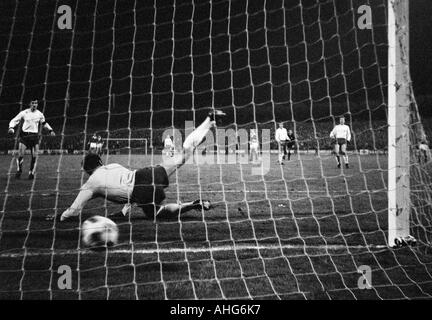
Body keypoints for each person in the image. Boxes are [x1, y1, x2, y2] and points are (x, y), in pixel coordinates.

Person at [47, 110, 226, 222]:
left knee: (158, 213)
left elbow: (74, 211)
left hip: (141, 189)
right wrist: (124, 211)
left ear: (87, 171)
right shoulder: (113, 166)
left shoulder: (90, 184)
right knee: (184, 154)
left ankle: (191, 204)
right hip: (148, 173)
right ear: (101, 162)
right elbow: (126, 187)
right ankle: (208, 121)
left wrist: (59, 217)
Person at [8, 99, 55, 179]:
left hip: (34, 136)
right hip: (24, 135)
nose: (34, 104)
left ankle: (31, 173)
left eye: (36, 103)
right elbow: (14, 120)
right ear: (30, 104)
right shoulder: (24, 112)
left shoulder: (40, 114)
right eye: (33, 103)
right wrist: (11, 127)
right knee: (21, 154)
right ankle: (19, 170)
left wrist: (50, 130)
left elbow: (44, 123)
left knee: (34, 156)